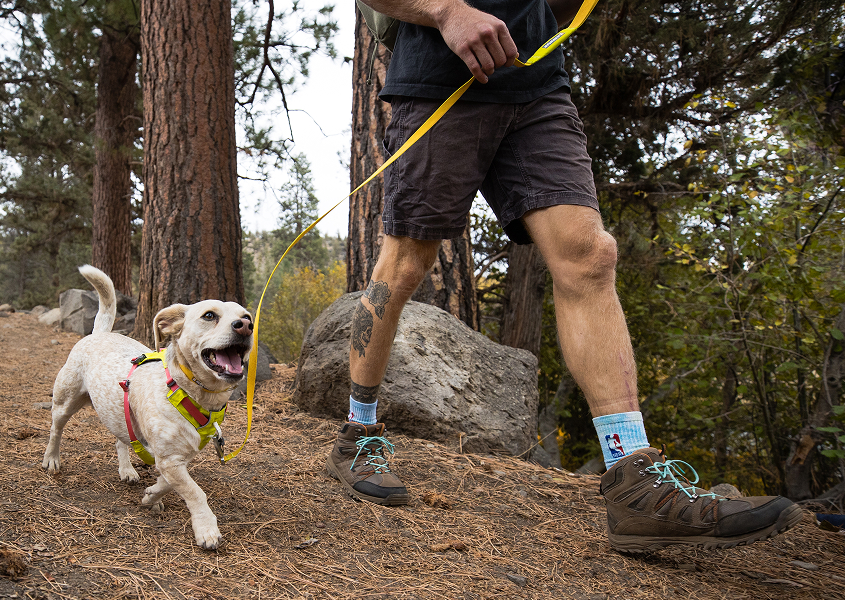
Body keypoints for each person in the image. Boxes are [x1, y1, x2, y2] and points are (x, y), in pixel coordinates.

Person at [326, 0, 808, 552]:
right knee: (407, 264)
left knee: (590, 256)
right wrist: (447, 11)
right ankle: (358, 433)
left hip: (537, 85)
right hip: (438, 82)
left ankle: (634, 483)